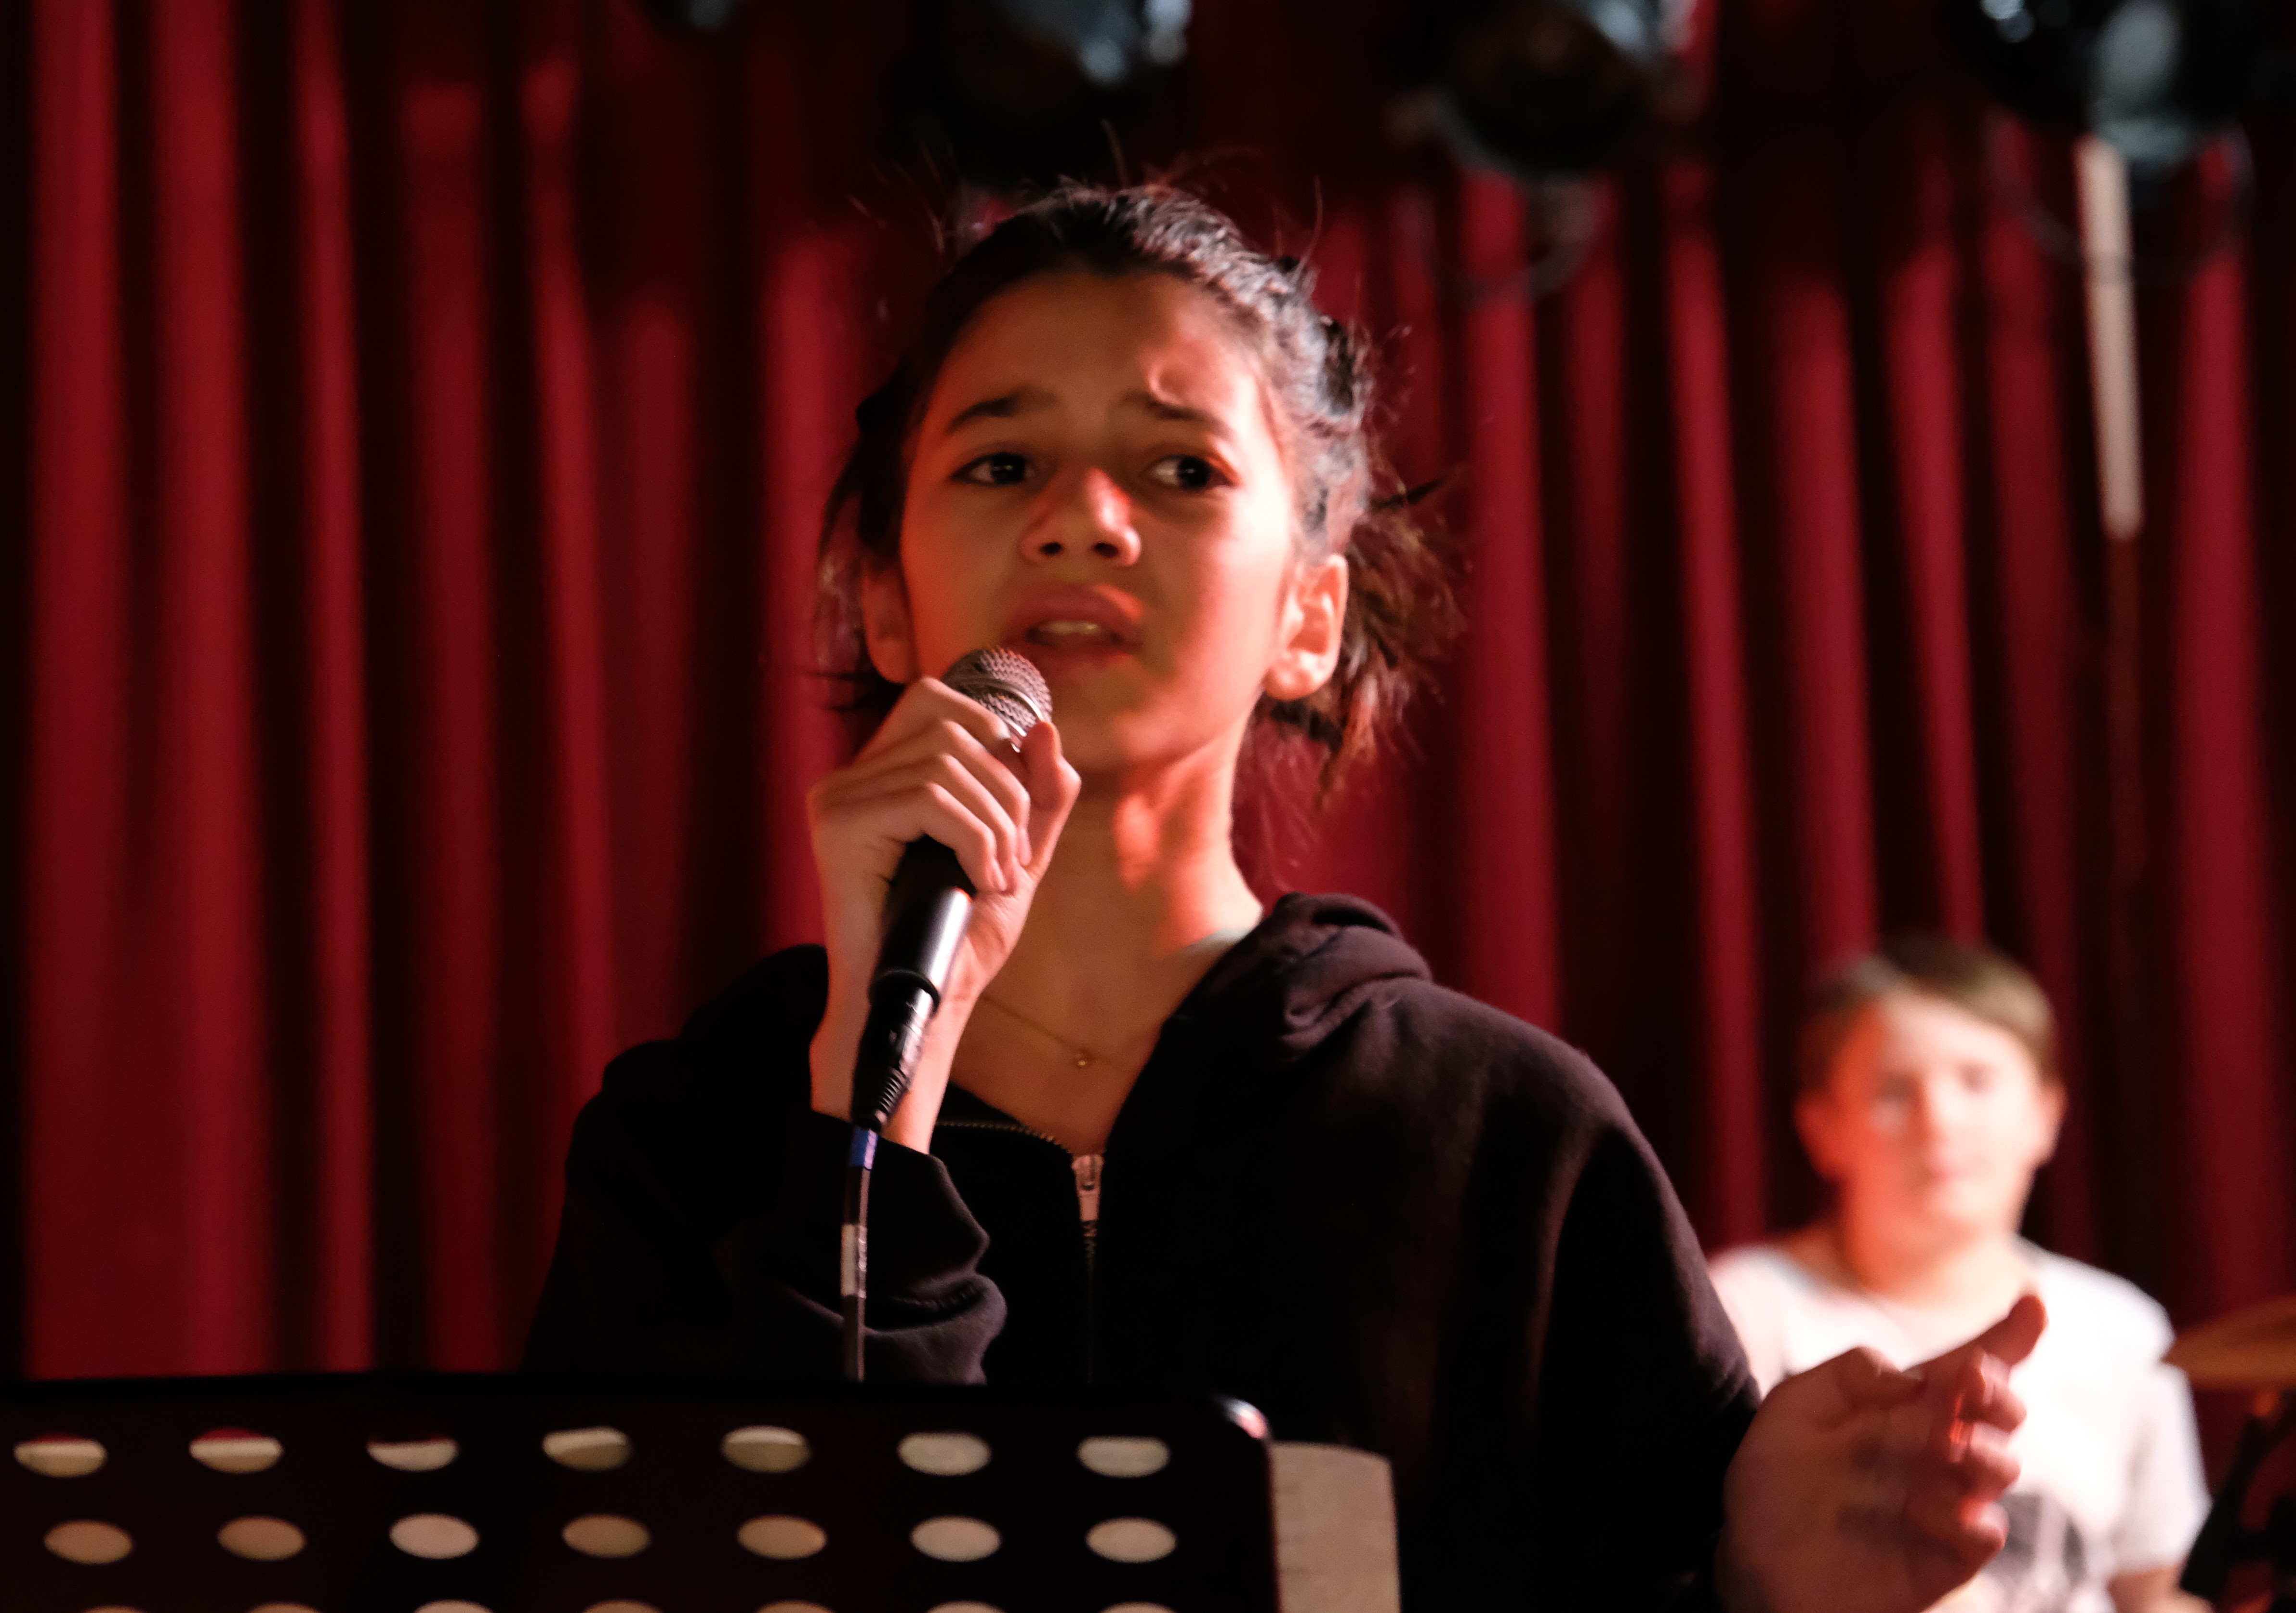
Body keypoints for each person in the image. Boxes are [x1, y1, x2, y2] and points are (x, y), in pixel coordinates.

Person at [525, 184, 2043, 1613]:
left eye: (1179, 469)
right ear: (881, 597)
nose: (1083, 519)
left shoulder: (1511, 1138)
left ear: (1307, 616)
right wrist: (872, 1099)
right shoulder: (698, 1129)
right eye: (1000, 464)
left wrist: (1750, 1584)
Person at [1710, 937, 2210, 1613]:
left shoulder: (2121, 1327)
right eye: (1893, 1091)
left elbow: (2153, 1589)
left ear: (2045, 1115)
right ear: (1822, 1129)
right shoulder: (1745, 1311)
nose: (1938, 1122)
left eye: (1976, 1082)